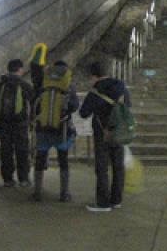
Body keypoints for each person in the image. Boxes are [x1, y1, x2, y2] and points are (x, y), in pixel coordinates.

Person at [79, 61, 131, 212]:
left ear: (94, 76)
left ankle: (103, 203)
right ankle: (116, 200)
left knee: (102, 168)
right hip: (119, 131)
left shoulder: (96, 91)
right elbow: (128, 106)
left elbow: (84, 113)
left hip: (102, 133)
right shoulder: (121, 87)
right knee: (118, 166)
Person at [32, 60, 79, 202]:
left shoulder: (43, 83)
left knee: (40, 159)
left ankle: (37, 192)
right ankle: (64, 194)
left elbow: (35, 102)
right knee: (63, 161)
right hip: (62, 129)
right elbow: (74, 105)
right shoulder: (68, 85)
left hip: (43, 128)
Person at [0, 59, 33, 187]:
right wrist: (32, 122)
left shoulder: (0, 85)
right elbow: (34, 103)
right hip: (20, 125)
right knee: (22, 151)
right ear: (20, 69)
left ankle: (8, 179)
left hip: (3, 124)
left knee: (6, 152)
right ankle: (23, 179)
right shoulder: (24, 85)